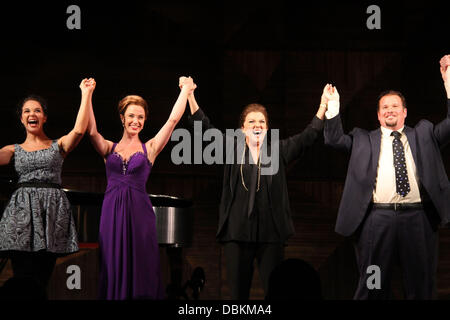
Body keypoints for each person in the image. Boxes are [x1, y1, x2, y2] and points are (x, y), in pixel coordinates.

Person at [182, 78, 328, 299]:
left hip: (270, 235)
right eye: (251, 122)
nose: (257, 125)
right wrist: (190, 95)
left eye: (261, 122)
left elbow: (308, 136)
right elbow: (204, 128)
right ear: (242, 129)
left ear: (267, 128)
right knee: (237, 296)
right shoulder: (232, 147)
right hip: (236, 234)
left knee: (275, 293)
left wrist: (323, 105)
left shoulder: (278, 150)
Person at [323, 55, 450, 299]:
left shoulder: (425, 133)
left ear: (404, 112)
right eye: (385, 108)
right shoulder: (362, 138)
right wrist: (333, 107)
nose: (390, 110)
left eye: (394, 106)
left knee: (421, 286)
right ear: (379, 116)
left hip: (418, 218)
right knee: (372, 287)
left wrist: (449, 83)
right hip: (376, 219)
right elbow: (333, 140)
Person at [88, 77, 195, 300]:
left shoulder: (151, 149)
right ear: (122, 119)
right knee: (112, 263)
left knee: (142, 263)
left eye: (140, 117)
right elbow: (90, 132)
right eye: (131, 116)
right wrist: (86, 94)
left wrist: (185, 90)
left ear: (145, 121)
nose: (136, 121)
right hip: (111, 213)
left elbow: (173, 120)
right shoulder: (109, 148)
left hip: (139, 213)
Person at [0, 78, 95, 296]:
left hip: (50, 216)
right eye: (26, 111)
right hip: (21, 218)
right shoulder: (13, 149)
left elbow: (79, 130)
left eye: (37, 110)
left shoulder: (58, 145)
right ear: (22, 118)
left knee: (41, 279)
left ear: (44, 117)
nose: (31, 114)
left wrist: (86, 93)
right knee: (21, 278)